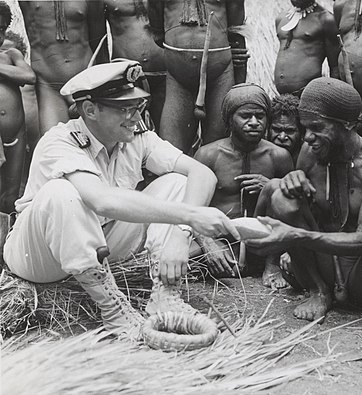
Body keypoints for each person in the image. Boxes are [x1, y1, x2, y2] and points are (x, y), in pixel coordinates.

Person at [2, 60, 240, 340]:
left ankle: (164, 295)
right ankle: (113, 309)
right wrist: (189, 216)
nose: (135, 117)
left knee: (178, 183)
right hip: (40, 257)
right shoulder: (60, 141)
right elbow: (102, 201)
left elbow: (202, 173)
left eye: (136, 106)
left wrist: (181, 234)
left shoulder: (135, 136)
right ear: (90, 110)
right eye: (123, 109)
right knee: (62, 193)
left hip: (100, 241)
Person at [247, 77, 362, 338]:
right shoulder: (311, 150)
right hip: (322, 268)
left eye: (317, 127)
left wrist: (296, 235)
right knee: (282, 196)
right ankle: (319, 292)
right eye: (304, 128)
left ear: (348, 124)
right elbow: (300, 207)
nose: (307, 137)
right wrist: (293, 180)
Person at [194, 84, 293, 288]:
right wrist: (208, 244)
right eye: (246, 116)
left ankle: (272, 265)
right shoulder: (208, 155)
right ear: (230, 119)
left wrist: (271, 187)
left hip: (265, 246)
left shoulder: (278, 156)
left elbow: (294, 203)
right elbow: (191, 207)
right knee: (181, 263)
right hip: (223, 242)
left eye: (260, 116)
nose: (254, 123)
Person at [147, 0, 249, 151]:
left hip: (220, 74)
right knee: (169, 152)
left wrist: (239, 86)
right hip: (178, 78)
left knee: (219, 149)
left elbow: (237, 29)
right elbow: (157, 28)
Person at [19, 0, 108, 142]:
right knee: (53, 144)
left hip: (84, 83)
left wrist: (104, 89)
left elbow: (100, 44)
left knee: (95, 146)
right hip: (49, 86)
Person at [100, 0, 167, 130]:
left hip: (165, 74)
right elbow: (97, 38)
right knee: (130, 135)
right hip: (126, 76)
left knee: (168, 138)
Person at [0, 3, 36, 213]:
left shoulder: (12, 55)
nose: (0, 34)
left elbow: (28, 76)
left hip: (15, 132)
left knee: (10, 196)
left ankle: (6, 243)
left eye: (2, 29)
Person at [274, 0, 339, 97]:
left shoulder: (326, 19)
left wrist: (334, 98)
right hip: (282, 97)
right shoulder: (281, 18)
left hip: (310, 97)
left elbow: (335, 68)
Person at [269, 94, 304, 164]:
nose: (282, 137)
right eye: (276, 129)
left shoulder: (308, 159)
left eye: (289, 131)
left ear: (302, 133)